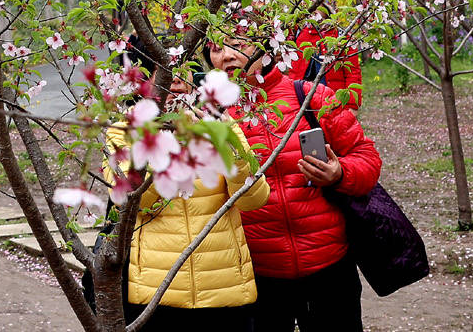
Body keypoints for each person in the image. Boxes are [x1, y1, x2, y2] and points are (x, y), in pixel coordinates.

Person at [214, 36, 383, 332]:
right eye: (216, 48)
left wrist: (339, 173)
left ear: (266, 45)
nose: (227, 55)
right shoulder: (212, 117)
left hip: (329, 268)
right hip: (258, 274)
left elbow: (367, 158)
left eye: (238, 44)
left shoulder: (310, 96)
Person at [99, 119, 271, 330]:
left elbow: (253, 200)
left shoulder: (219, 123)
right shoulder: (124, 130)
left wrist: (228, 142)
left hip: (225, 285)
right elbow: (132, 199)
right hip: (157, 291)